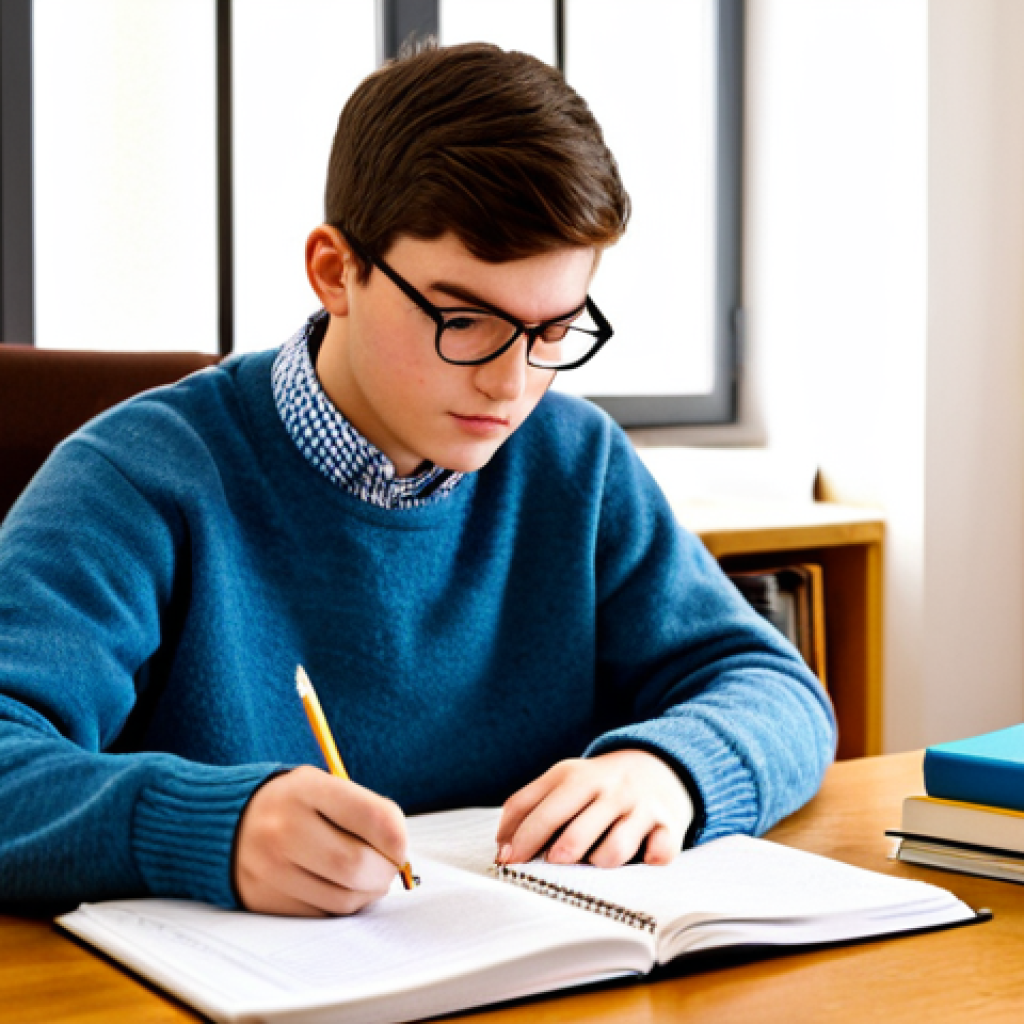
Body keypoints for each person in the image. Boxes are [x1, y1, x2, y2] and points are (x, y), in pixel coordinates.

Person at [0, 43, 835, 917]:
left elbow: (776, 690)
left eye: (553, 330)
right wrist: (209, 826)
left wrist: (669, 770)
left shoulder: (575, 460)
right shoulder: (137, 477)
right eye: (465, 319)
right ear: (337, 272)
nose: (511, 385)